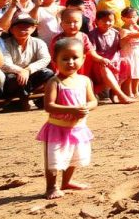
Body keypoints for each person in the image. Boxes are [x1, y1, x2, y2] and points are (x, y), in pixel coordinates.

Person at [37, 36, 95, 199]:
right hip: (57, 128)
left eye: (75, 58)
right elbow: (49, 106)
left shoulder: (84, 81)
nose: (70, 62)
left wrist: (86, 107)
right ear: (55, 60)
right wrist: (73, 109)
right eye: (65, 58)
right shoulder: (54, 82)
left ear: (83, 58)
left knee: (74, 157)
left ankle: (67, 182)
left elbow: (93, 101)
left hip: (78, 128)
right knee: (54, 160)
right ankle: (51, 187)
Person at [1, 17, 53, 106]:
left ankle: (44, 100)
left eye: (26, 27)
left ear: (33, 29)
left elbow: (45, 59)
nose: (22, 30)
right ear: (11, 29)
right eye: (18, 27)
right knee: (12, 78)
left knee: (48, 73)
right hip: (12, 77)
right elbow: (4, 63)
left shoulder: (39, 42)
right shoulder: (4, 44)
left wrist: (28, 70)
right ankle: (22, 101)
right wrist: (20, 71)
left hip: (31, 75)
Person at [87, 11, 130, 103]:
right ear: (96, 21)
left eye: (110, 21)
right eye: (104, 21)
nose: (107, 23)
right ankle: (121, 95)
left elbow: (121, 47)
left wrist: (125, 37)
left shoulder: (115, 33)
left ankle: (114, 93)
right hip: (100, 63)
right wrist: (101, 59)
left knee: (126, 62)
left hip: (115, 62)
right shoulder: (92, 35)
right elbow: (92, 52)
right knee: (104, 67)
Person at [118, 7, 139, 98]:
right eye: (130, 17)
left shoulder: (137, 29)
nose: (133, 19)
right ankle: (128, 92)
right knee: (129, 73)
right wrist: (134, 35)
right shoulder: (123, 30)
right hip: (128, 54)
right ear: (123, 18)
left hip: (137, 54)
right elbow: (122, 43)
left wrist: (136, 28)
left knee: (138, 72)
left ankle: (136, 91)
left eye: (134, 17)